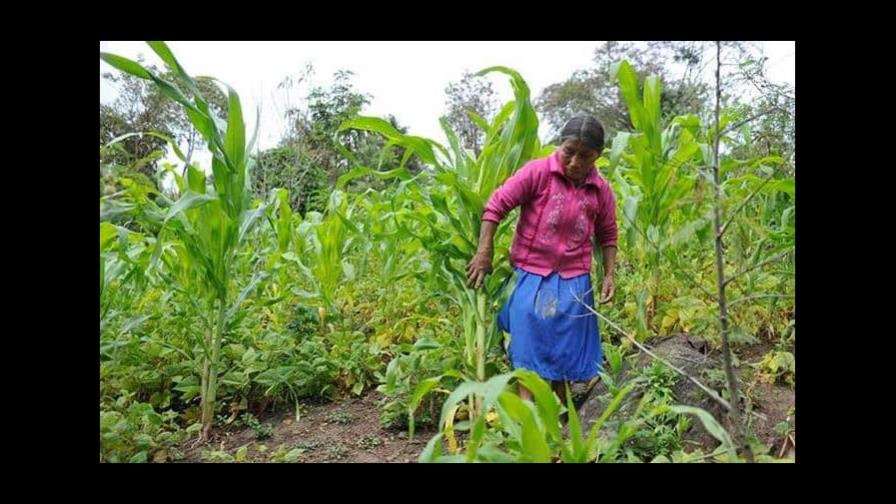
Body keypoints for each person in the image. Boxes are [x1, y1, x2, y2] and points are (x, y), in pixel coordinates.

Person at [465, 114, 618, 407]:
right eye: (569, 152)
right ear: (560, 146)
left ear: (597, 156)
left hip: (574, 278)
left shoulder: (601, 190)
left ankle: (560, 413)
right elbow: (496, 206)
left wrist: (609, 274)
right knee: (529, 340)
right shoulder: (537, 173)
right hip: (530, 273)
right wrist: (483, 252)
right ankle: (529, 414)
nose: (574, 162)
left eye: (584, 156)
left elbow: (608, 233)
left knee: (564, 345)